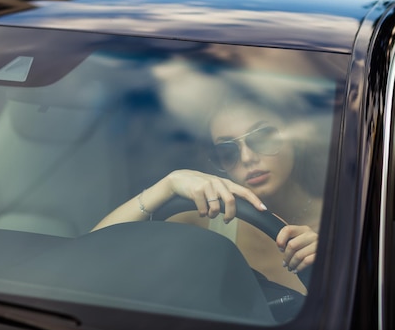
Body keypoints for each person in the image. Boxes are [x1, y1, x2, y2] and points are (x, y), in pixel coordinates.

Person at [92, 96, 322, 293]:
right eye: (227, 151)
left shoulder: (346, 219)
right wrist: (168, 184)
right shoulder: (209, 218)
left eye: (261, 137)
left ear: (295, 139)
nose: (247, 158)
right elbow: (90, 251)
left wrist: (330, 266)